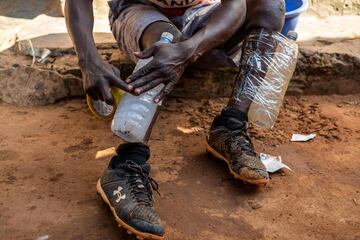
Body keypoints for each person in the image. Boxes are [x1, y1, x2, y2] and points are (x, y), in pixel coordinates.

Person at [65, 0, 288, 239]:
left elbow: (236, 4)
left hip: (204, 16)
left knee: (271, 4)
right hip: (139, 12)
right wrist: (87, 60)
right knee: (166, 38)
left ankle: (231, 125)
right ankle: (126, 164)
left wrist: (190, 49)